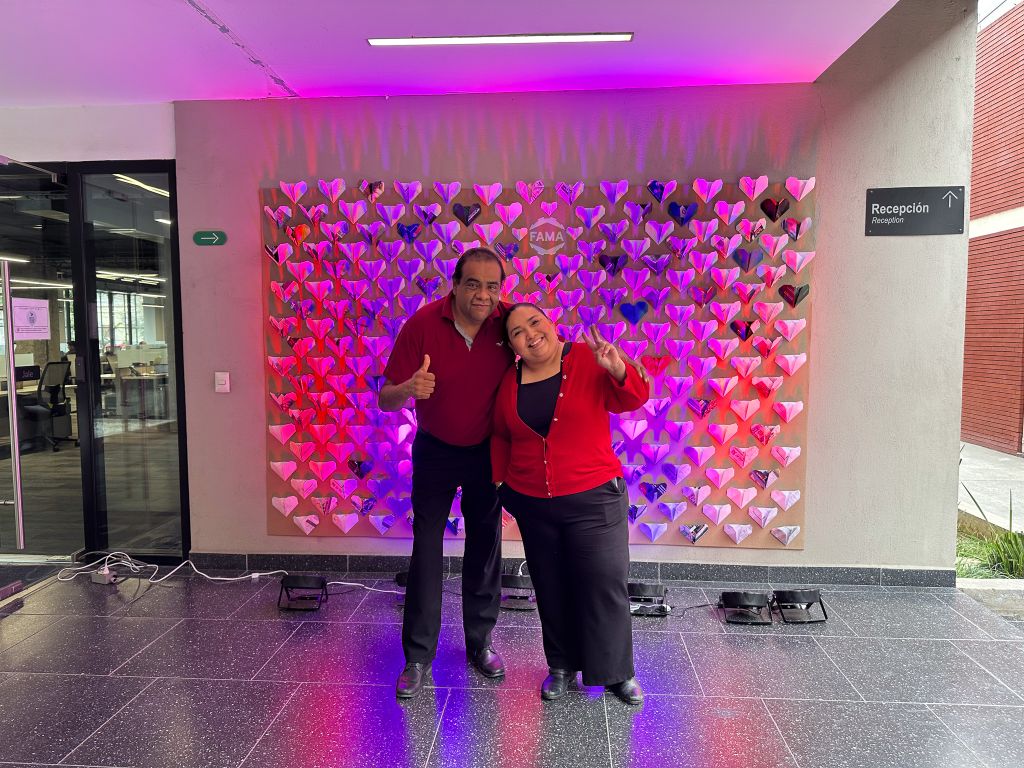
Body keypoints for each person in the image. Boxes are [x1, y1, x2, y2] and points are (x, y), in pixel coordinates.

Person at [492, 304, 650, 705]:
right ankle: (561, 666)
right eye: (516, 332)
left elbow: (634, 398)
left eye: (534, 322)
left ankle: (617, 673)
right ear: (511, 345)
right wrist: (501, 482)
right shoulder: (509, 380)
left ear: (551, 323)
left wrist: (617, 368)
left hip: (595, 497)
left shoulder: (586, 357)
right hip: (534, 502)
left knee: (604, 582)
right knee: (550, 585)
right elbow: (501, 435)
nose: (530, 334)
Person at [379, 247, 514, 699]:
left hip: (487, 452)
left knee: (485, 546)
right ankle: (418, 656)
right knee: (426, 548)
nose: (483, 295)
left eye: (492, 286)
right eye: (473, 284)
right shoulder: (422, 324)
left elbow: (548, 358)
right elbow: (385, 398)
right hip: (435, 450)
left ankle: (481, 642)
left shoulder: (509, 322)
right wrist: (408, 388)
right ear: (454, 285)